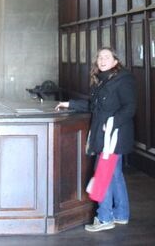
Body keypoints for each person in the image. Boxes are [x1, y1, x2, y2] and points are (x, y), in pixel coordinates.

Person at [55, 46, 137, 232]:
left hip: (114, 135)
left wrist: (113, 122)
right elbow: (93, 105)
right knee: (114, 174)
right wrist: (70, 104)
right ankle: (122, 214)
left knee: (104, 174)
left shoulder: (123, 79)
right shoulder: (102, 81)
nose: (102, 60)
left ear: (116, 61)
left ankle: (105, 217)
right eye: (100, 57)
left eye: (106, 57)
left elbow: (130, 107)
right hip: (104, 135)